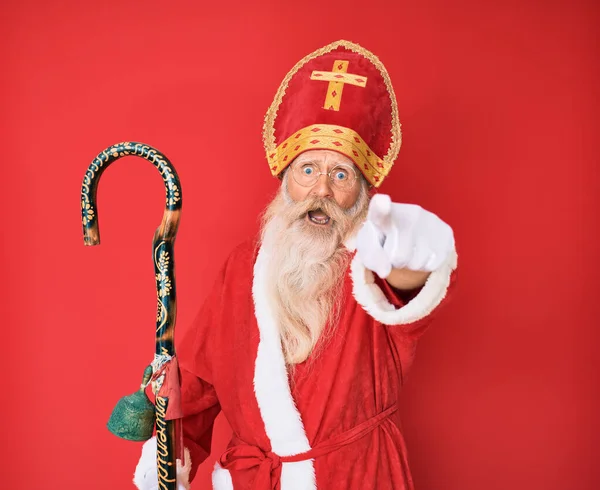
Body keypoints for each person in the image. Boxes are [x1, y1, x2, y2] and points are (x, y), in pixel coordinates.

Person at [133, 40, 457, 490]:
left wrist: (414, 251)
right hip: (255, 480)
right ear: (286, 182)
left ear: (361, 194)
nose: (321, 189)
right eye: (307, 170)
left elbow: (412, 287)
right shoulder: (244, 265)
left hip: (355, 478)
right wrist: (167, 449)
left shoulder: (374, 266)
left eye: (340, 175)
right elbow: (200, 380)